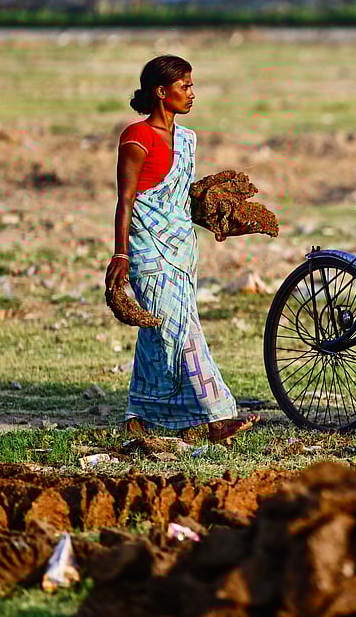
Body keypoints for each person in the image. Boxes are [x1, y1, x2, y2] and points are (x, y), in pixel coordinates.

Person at [105, 55, 258, 444]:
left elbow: (180, 201)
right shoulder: (135, 140)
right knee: (181, 329)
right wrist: (120, 253)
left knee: (158, 332)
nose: (192, 93)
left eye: (191, 85)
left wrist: (227, 219)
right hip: (147, 250)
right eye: (184, 86)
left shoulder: (188, 139)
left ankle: (140, 415)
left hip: (182, 249)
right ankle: (217, 414)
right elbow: (126, 201)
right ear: (161, 92)